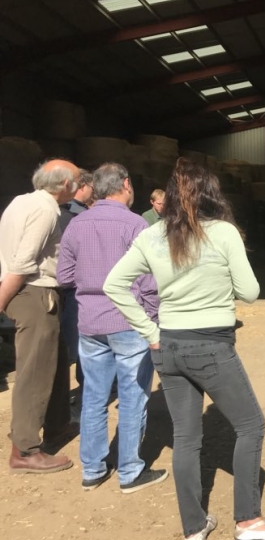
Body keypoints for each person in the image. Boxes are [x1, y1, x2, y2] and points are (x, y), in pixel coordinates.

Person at [104, 159, 265, 540]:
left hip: (168, 345)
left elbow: (114, 284)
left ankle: (194, 525)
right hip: (210, 344)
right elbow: (251, 292)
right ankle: (249, 519)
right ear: (212, 194)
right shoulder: (222, 233)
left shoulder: (152, 235)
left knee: (186, 438)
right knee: (251, 424)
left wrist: (148, 331)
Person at [57, 162, 167, 493]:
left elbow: (63, 277)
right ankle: (130, 470)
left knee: (93, 396)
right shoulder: (137, 226)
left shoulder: (76, 226)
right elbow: (149, 282)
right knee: (133, 397)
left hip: (90, 322)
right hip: (129, 321)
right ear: (126, 184)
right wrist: (154, 321)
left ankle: (93, 468)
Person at [0, 159, 80, 474]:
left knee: (57, 362)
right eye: (76, 180)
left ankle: (57, 423)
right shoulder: (47, 211)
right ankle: (25, 449)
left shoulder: (22, 201)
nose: (77, 185)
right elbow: (23, 261)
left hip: (35, 292)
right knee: (35, 372)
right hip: (35, 293)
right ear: (64, 185)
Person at [58, 169, 94, 396]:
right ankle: (83, 384)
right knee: (79, 339)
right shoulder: (71, 214)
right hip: (73, 285)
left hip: (65, 284)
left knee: (75, 338)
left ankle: (81, 383)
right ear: (84, 186)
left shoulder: (69, 212)